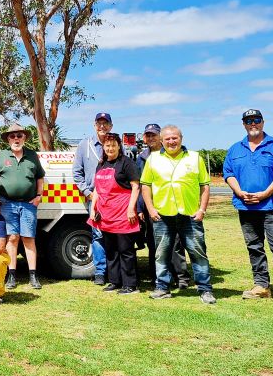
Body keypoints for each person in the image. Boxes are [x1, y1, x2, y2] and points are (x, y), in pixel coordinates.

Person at [222, 109, 273, 307]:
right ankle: (261, 286)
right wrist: (239, 192)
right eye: (248, 121)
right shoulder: (235, 149)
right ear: (243, 124)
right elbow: (229, 173)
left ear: (263, 122)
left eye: (256, 120)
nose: (253, 124)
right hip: (246, 206)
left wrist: (266, 193)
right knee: (254, 247)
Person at [139, 125, 216, 304]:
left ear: (181, 138)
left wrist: (202, 209)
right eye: (167, 139)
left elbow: (204, 186)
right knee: (161, 254)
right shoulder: (153, 159)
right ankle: (162, 288)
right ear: (161, 141)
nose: (171, 141)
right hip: (162, 216)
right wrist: (150, 209)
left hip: (189, 215)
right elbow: (145, 185)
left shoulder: (195, 158)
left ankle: (205, 290)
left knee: (198, 253)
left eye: (175, 138)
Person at [0, 122, 46, 291]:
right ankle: (12, 275)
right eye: (12, 136)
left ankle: (33, 275)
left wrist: (39, 196)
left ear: (24, 138)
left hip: (28, 204)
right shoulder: (0, 156)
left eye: (19, 135)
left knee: (28, 238)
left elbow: (40, 178)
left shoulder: (32, 155)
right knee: (12, 238)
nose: (16, 138)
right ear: (8, 139)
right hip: (6, 203)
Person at [88, 133, 141, 294]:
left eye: (113, 145)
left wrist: (132, 208)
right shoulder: (101, 164)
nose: (110, 148)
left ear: (119, 146)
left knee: (126, 251)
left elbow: (135, 186)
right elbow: (97, 189)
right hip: (106, 216)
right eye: (107, 145)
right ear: (103, 147)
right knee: (111, 251)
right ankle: (114, 281)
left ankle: (130, 285)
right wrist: (93, 209)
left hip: (123, 215)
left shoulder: (126, 163)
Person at [136, 123, 188, 287]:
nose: (151, 138)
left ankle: (180, 276)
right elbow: (139, 184)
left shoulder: (173, 154)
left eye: (154, 135)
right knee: (154, 242)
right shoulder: (141, 158)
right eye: (148, 135)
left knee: (176, 242)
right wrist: (140, 208)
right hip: (151, 206)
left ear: (161, 136)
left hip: (172, 204)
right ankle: (156, 275)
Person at [73, 112, 112, 285]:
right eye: (99, 123)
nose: (102, 126)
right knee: (97, 235)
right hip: (93, 199)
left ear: (111, 126)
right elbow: (77, 172)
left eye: (105, 123)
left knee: (115, 234)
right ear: (94, 125)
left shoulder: (114, 144)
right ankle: (101, 272)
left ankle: (115, 270)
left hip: (114, 199)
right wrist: (87, 192)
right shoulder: (84, 145)